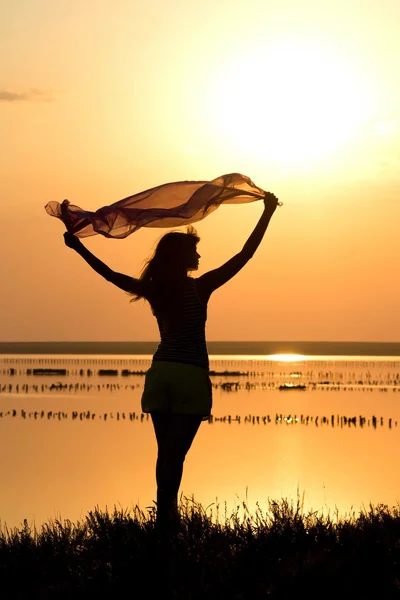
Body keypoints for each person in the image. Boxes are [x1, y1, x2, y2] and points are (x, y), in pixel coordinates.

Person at [63, 192, 279, 532]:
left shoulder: (154, 289)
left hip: (161, 373)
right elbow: (245, 255)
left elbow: (109, 274)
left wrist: (78, 248)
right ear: (181, 257)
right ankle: (167, 520)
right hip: (190, 376)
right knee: (174, 455)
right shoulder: (201, 287)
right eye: (193, 251)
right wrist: (267, 213)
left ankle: (166, 517)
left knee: (167, 454)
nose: (198, 254)